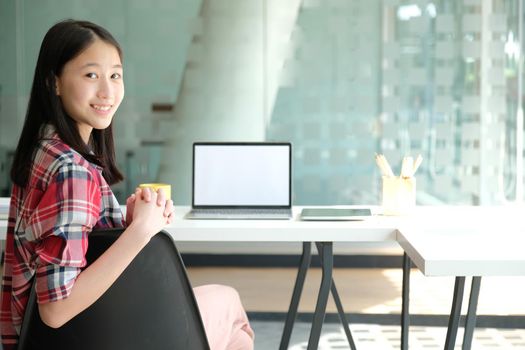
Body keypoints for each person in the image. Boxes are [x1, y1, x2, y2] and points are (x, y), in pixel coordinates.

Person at [0, 19, 254, 350]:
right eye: (91, 75)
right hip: (86, 336)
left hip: (58, 335)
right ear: (55, 82)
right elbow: (56, 308)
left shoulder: (44, 148)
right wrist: (140, 233)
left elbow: (74, 249)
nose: (107, 91)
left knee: (230, 327)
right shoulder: (71, 170)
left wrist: (123, 225)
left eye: (115, 75)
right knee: (230, 307)